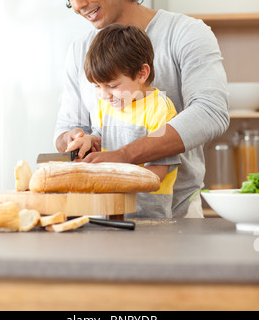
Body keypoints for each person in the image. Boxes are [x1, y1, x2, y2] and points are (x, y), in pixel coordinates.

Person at [52, 0, 230, 218]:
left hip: (176, 214)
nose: (78, 4)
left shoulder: (185, 33)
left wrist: (124, 156)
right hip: (104, 214)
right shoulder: (79, 51)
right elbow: (66, 129)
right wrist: (75, 138)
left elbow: (210, 113)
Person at [66, 23, 181, 218]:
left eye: (111, 85)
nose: (104, 95)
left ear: (141, 74)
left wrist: (107, 173)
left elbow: (157, 174)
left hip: (147, 219)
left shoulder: (161, 109)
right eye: (97, 86)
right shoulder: (108, 104)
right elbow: (102, 137)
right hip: (107, 214)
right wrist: (89, 141)